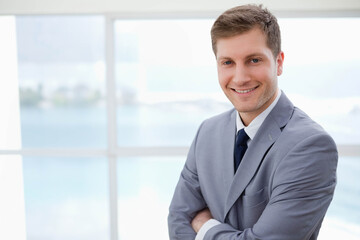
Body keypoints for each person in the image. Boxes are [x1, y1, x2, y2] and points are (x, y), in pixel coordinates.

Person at [168, 4, 338, 240]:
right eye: (227, 62)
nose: (240, 77)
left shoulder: (310, 146)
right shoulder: (207, 132)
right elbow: (179, 222)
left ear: (278, 63)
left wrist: (205, 227)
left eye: (254, 60)